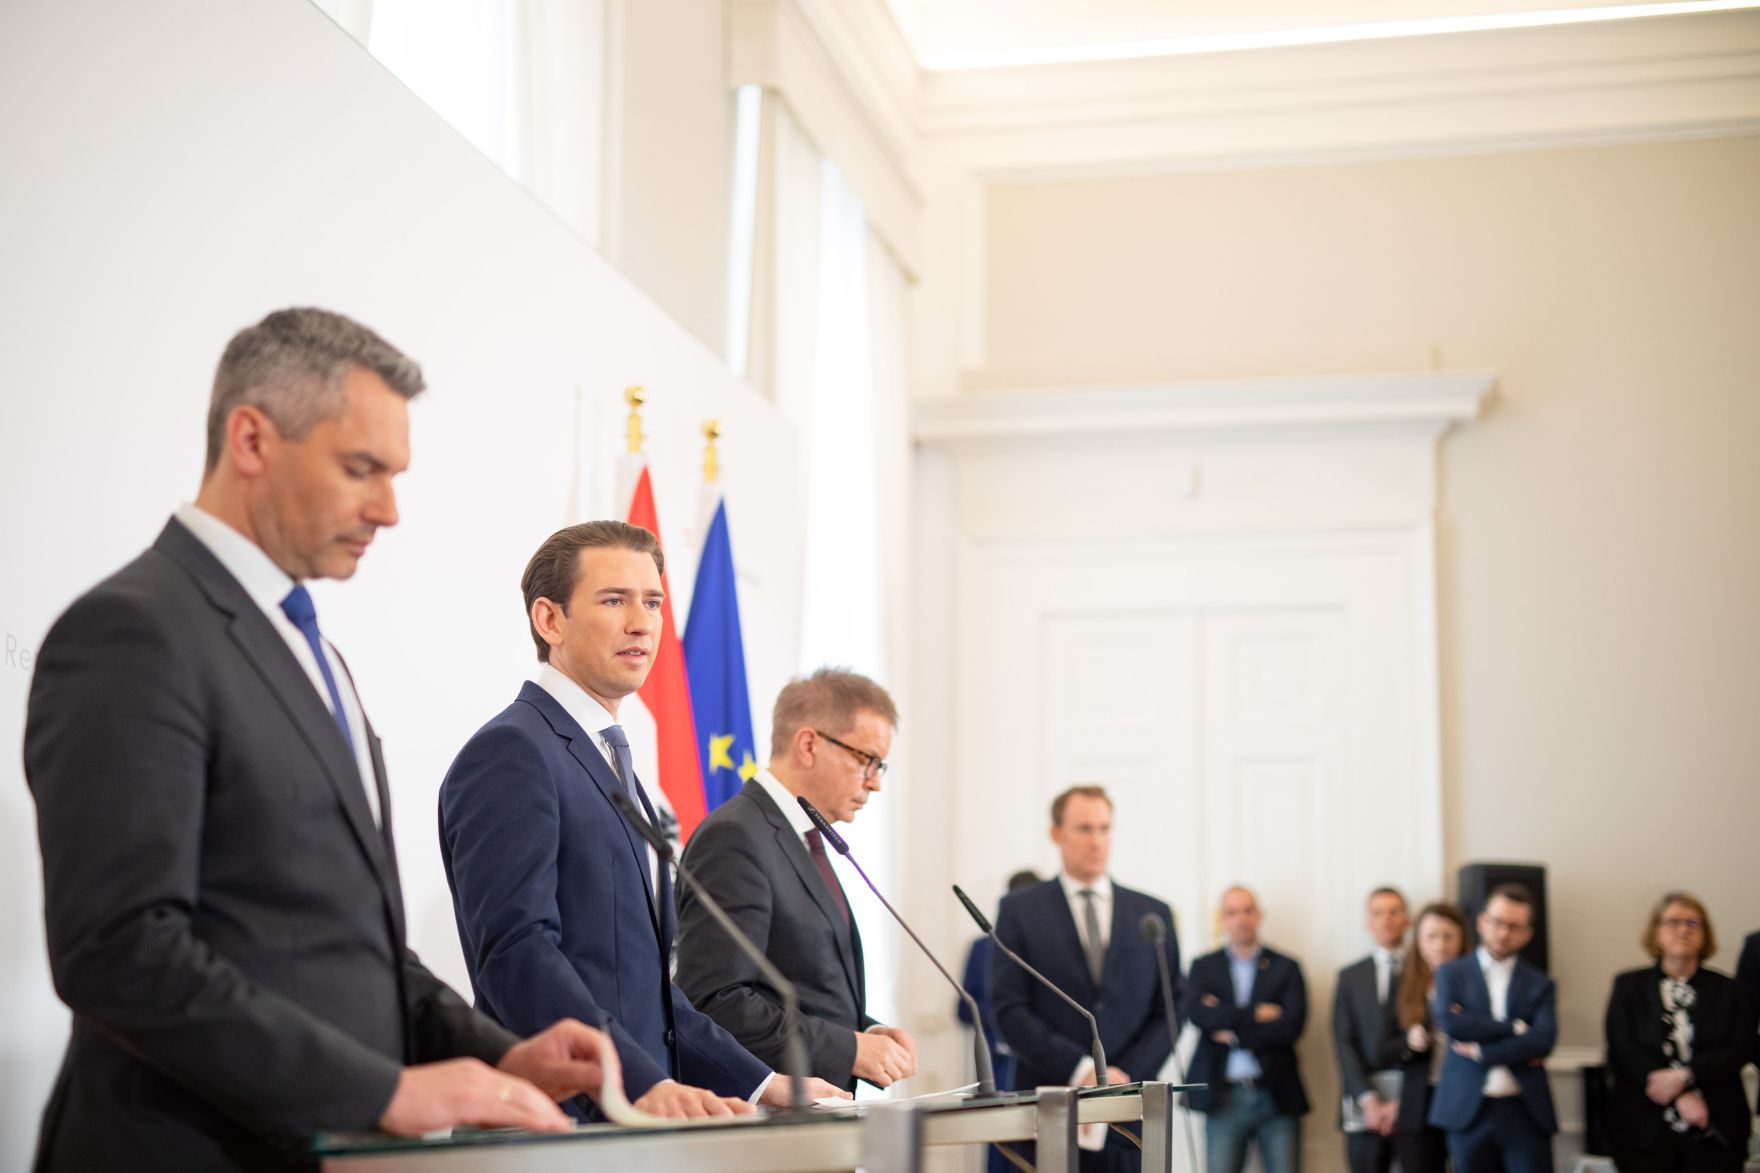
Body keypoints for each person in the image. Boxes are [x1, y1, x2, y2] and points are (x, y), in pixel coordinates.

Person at [23, 309, 621, 1171]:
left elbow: (348, 942)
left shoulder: (312, 649)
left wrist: (492, 1051)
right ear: (252, 439)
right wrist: (384, 1092)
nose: (388, 508)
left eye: (395, 474)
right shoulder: (133, 631)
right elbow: (119, 951)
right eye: (360, 469)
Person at [438, 521, 848, 1117]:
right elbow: (518, 955)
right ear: (549, 620)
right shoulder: (513, 751)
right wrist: (637, 1080)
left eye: (652, 602)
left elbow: (648, 991)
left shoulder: (613, 763)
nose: (643, 622)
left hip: (632, 1122)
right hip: (559, 1123)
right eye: (614, 600)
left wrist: (763, 1082)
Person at [675, 668, 918, 1092]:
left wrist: (862, 1033)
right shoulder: (735, 837)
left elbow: (798, 987)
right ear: (809, 745)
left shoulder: (802, 838)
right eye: (867, 760)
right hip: (762, 1129)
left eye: (881, 766)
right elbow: (716, 1001)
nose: (875, 783)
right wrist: (849, 1049)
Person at [993, 786, 1182, 1173]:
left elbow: (1173, 1004)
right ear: (1056, 834)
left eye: (1104, 829)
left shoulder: (1152, 913)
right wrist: (1083, 1070)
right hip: (1048, 1107)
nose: (1096, 841)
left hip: (1130, 1112)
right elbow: (1009, 1009)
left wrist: (1122, 1075)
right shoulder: (1019, 911)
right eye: (1083, 829)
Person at [1604, 893, 1757, 1173]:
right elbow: (1622, 1047)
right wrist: (1680, 1095)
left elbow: (1742, 1046)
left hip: (1715, 1125)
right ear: (1656, 931)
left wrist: (1687, 1076)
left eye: (1693, 923)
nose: (1683, 930)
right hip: (1642, 1129)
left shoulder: (1731, 989)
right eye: (1672, 922)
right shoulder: (1628, 986)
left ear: (1705, 933)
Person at [1429, 882, 1558, 1173]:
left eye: (1514, 927)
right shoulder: (1452, 973)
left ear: (1527, 934)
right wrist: (1513, 1028)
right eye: (1498, 922)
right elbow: (1450, 1023)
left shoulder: (1541, 983)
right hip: (1468, 1108)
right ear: (1482, 922)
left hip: (1524, 1110)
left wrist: (1480, 1051)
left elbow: (1543, 1040)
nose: (1503, 933)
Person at [1187, 886, 1311, 1173]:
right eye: (1232, 912)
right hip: (1223, 1097)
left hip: (1276, 1094)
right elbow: (1198, 1016)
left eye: (1247, 910)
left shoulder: (1286, 967)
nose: (1240, 918)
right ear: (1223, 919)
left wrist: (1233, 1031)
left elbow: (1291, 1026)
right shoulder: (1204, 966)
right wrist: (1256, 1013)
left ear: (1259, 915)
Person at [1334, 887, 1412, 1173]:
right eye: (1378, 913)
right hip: (1364, 1103)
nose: (1386, 920)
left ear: (1408, 919)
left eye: (1394, 912)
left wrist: (1406, 1102)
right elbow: (1343, 1041)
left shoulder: (1425, 971)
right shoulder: (1350, 976)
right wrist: (1368, 1099)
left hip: (1414, 1100)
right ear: (1368, 922)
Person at [1389, 902, 1468, 1173]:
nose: (1440, 945)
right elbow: (1382, 1046)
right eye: (1431, 937)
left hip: (1465, 1096)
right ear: (1418, 941)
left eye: (1448, 936)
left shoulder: (1476, 983)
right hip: (1419, 1102)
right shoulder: (1403, 984)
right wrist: (1409, 1042)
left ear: (1461, 939)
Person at [960, 870, 1043, 1091]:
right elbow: (963, 1010)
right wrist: (1008, 1012)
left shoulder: (1054, 950)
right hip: (996, 1065)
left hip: (1044, 1063)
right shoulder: (981, 948)